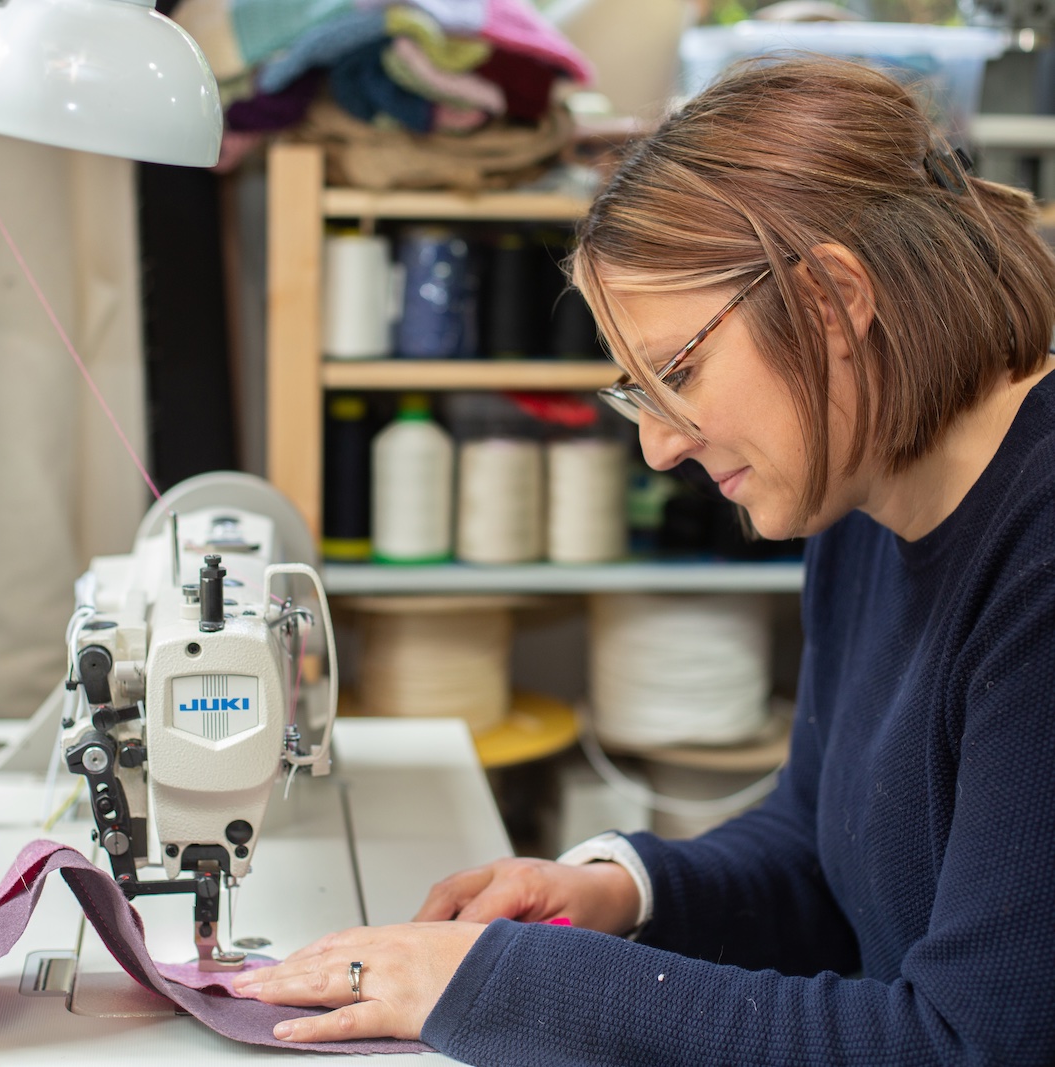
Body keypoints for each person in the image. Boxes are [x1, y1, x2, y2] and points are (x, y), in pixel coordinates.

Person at [231, 56, 1055, 1064]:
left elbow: (969, 1043)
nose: (658, 444)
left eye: (676, 371)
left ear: (836, 301)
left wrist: (496, 982)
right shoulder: (865, 491)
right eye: (636, 392)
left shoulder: (1034, 564)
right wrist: (619, 886)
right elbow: (821, 843)